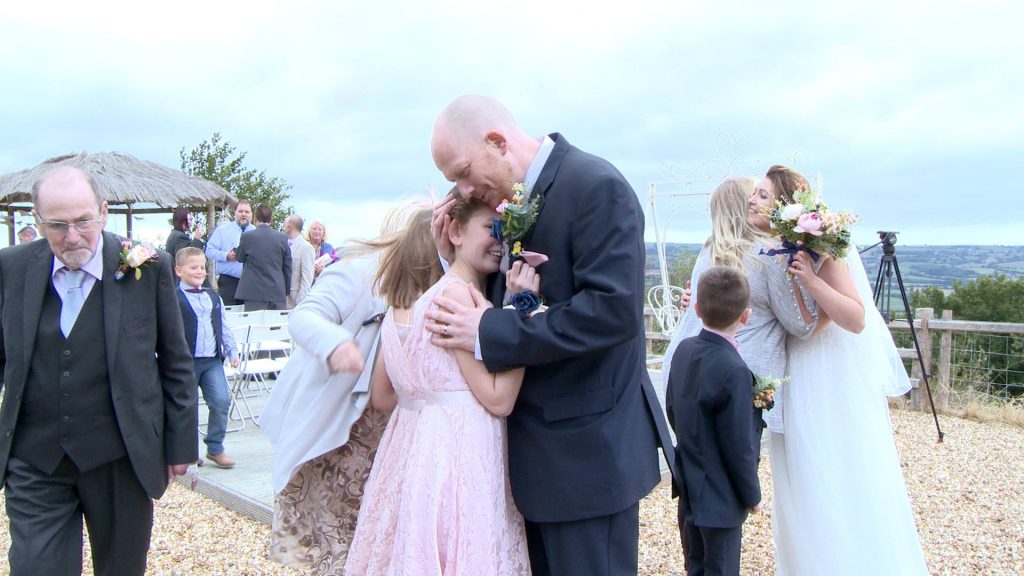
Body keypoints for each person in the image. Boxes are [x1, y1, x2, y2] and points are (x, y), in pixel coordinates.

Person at [425, 94, 675, 576]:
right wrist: (451, 262)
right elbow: (506, 294)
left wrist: (494, 329)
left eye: (461, 172)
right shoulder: (511, 199)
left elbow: (612, 312)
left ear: (497, 142)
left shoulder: (595, 186)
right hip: (535, 463)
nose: (462, 189)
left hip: (585, 458)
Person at [0, 167, 197, 575]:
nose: (72, 237)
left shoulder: (148, 267)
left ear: (103, 213)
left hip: (121, 456)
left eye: (82, 222)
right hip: (35, 459)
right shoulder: (11, 267)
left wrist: (181, 447)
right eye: (57, 225)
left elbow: (175, 361)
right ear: (37, 221)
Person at [751, 165, 928, 575]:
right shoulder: (767, 250)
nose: (752, 200)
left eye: (761, 194)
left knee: (829, 473)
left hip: (827, 375)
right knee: (798, 482)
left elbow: (855, 318)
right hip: (793, 368)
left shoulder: (823, 250)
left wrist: (811, 280)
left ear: (783, 205)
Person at [345, 193, 532, 575]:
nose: (499, 240)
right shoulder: (456, 296)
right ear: (453, 234)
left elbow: (383, 397)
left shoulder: (400, 312)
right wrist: (521, 313)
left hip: (414, 448)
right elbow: (498, 400)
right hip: (462, 448)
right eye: (490, 228)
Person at [260, 202, 441, 575]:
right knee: (336, 548)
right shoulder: (357, 274)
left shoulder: (439, 288)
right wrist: (336, 344)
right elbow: (305, 316)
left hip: (390, 435)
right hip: (336, 430)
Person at [662, 177, 818, 436]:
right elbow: (800, 325)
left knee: (696, 460)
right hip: (736, 381)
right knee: (738, 464)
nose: (758, 202)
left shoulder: (709, 250)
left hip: (684, 369)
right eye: (755, 197)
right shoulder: (767, 257)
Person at [666, 266, 762, 576]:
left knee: (694, 564)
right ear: (745, 316)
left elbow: (671, 407)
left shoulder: (683, 350)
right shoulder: (734, 369)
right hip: (721, 500)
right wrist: (752, 495)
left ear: (696, 308)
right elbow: (739, 445)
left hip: (689, 485)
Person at [174, 247, 240, 469]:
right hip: (185, 361)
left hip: (212, 360)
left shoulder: (214, 296)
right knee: (187, 407)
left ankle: (215, 447)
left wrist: (232, 350)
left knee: (221, 400)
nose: (200, 271)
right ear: (179, 271)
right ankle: (187, 451)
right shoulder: (173, 298)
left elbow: (223, 325)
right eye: (193, 267)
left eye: (202, 267)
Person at [234, 203, 291, 311]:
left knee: (254, 325)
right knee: (274, 326)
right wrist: (286, 292)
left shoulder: (247, 236)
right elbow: (287, 268)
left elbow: (240, 258)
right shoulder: (282, 238)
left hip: (253, 292)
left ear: (255, 218)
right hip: (277, 291)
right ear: (271, 219)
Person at [205, 200, 252, 305]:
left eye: (247, 212)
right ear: (235, 213)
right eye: (240, 211)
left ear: (251, 214)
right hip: (228, 282)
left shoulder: (255, 232)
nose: (243, 214)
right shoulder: (222, 230)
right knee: (228, 315)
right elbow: (209, 250)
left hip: (250, 282)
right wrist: (226, 256)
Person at [166, 207, 207, 286]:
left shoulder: (175, 235)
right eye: (190, 220)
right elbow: (188, 257)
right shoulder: (179, 237)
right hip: (180, 280)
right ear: (183, 221)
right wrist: (197, 239)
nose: (191, 222)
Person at [282, 214, 315, 308]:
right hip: (281, 299)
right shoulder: (282, 243)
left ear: (289, 227)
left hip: (295, 300)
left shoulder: (306, 247)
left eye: (284, 225)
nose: (283, 228)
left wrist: (300, 302)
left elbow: (307, 277)